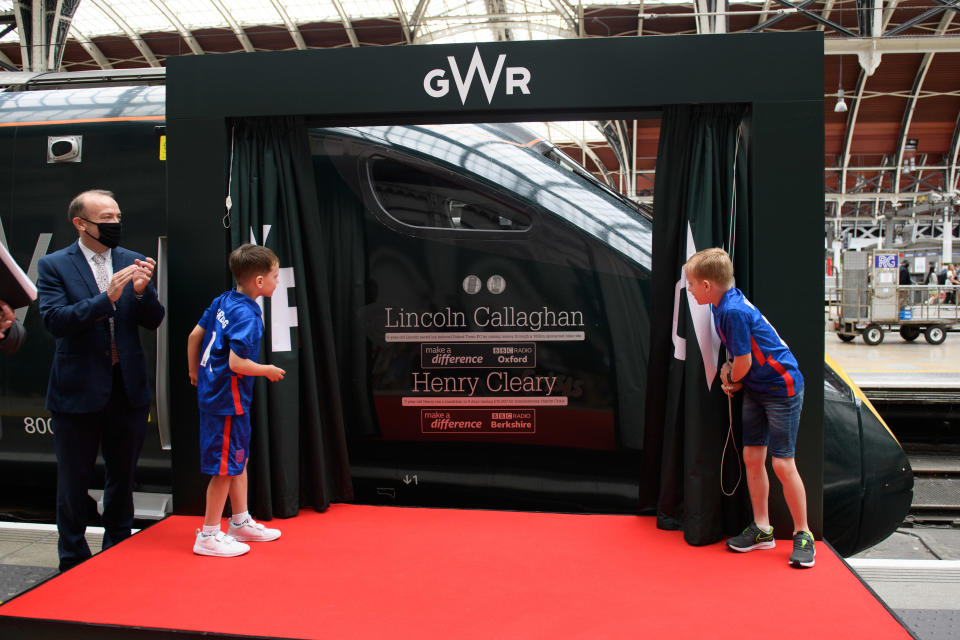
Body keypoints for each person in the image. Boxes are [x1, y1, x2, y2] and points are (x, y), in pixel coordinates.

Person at [36, 189, 165, 572]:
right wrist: (106, 298)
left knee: (122, 477)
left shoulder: (130, 260)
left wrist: (141, 295)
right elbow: (55, 321)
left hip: (127, 388)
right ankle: (73, 557)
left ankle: (117, 549)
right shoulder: (54, 265)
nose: (115, 224)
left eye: (117, 216)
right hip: (76, 390)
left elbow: (153, 319)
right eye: (106, 218)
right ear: (80, 223)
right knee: (73, 481)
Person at [684, 247, 814, 569]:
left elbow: (743, 361)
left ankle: (804, 533)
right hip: (758, 389)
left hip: (781, 389)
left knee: (783, 465)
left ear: (706, 286)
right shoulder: (721, 304)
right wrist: (737, 379)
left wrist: (731, 378)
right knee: (753, 458)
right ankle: (762, 529)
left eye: (691, 284)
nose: (688, 289)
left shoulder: (732, 311)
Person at [187, 243, 286, 557]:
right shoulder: (248, 316)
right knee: (224, 469)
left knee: (236, 460)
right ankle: (208, 534)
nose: (277, 281)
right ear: (259, 282)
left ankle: (240, 521)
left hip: (217, 393)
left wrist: (194, 373)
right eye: (274, 275)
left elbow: (194, 336)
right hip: (226, 400)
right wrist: (267, 369)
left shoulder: (224, 299)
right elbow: (237, 364)